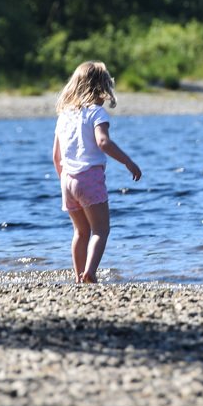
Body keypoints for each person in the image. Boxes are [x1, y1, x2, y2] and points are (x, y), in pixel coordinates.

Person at [52, 61, 142, 283]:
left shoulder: (64, 115)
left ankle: (78, 276)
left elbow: (56, 156)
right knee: (100, 230)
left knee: (80, 232)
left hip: (67, 180)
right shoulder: (96, 113)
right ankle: (90, 273)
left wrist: (64, 179)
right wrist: (128, 162)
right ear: (102, 87)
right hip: (88, 178)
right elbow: (103, 142)